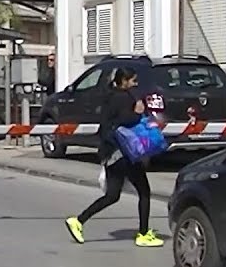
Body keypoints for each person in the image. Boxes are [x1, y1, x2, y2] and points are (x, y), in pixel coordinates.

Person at [64, 67, 165, 248]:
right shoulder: (123, 98)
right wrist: (138, 112)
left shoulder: (110, 95)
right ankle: (143, 234)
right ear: (124, 81)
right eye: (133, 81)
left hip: (110, 151)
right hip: (123, 153)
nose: (135, 84)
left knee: (112, 195)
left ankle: (78, 221)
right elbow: (127, 120)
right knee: (144, 191)